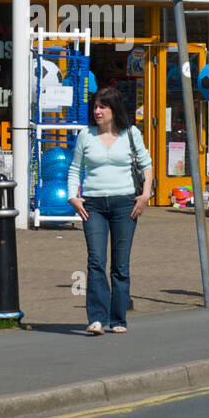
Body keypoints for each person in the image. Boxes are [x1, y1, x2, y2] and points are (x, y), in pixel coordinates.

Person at [67, 87, 152, 335]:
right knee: (95, 261)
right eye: (95, 106)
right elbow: (75, 168)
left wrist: (145, 196)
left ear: (114, 109)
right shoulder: (86, 135)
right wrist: (73, 197)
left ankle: (118, 320)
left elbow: (146, 165)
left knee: (120, 266)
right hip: (92, 205)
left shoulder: (131, 134)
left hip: (125, 203)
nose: (97, 111)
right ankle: (96, 318)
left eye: (102, 107)